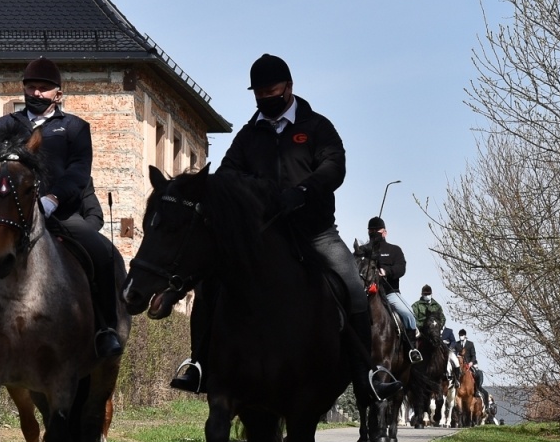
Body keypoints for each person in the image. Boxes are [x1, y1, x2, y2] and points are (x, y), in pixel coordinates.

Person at [169, 54, 394, 399]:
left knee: (351, 284)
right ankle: (200, 365)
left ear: (289, 87)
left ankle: (368, 373)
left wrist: (304, 191)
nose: (265, 99)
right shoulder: (247, 136)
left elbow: (334, 166)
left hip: (314, 231)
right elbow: (227, 175)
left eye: (271, 91)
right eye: (258, 94)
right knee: (210, 282)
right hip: (262, 233)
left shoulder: (317, 127)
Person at [0, 57, 124, 367]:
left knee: (104, 254)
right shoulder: (7, 125)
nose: (37, 93)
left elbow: (79, 171)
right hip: (11, 213)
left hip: (61, 212)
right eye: (31, 87)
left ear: (58, 93)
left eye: (44, 88)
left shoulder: (74, 128)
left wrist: (53, 199)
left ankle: (105, 330)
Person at [360, 216, 421, 362]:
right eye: (371, 230)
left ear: (384, 232)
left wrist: (386, 271)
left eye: (377, 230)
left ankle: (412, 349)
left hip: (390, 293)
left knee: (408, 314)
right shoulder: (363, 251)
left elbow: (401, 268)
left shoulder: (394, 250)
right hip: (365, 294)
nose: (374, 233)